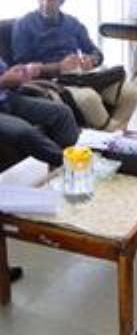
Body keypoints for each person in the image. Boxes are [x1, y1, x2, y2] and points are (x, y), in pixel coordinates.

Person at [12, 0, 137, 131]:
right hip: (52, 82)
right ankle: (113, 135)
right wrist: (58, 67)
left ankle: (114, 133)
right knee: (89, 98)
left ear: (62, 0)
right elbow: (21, 66)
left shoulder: (72, 23)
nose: (45, 3)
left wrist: (91, 60)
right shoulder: (24, 25)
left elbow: (96, 52)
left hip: (80, 77)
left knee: (130, 92)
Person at [0, 56, 79, 283]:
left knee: (62, 113)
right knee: (24, 132)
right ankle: (72, 165)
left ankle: (68, 179)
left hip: (8, 98)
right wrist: (4, 80)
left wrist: (18, 75)